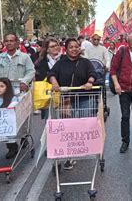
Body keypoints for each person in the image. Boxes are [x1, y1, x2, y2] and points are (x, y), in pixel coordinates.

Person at [47, 38, 96, 169]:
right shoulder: (61, 63)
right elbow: (51, 73)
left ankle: (84, 148)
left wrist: (89, 82)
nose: (74, 49)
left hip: (84, 99)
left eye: (76, 47)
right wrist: (54, 82)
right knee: (68, 128)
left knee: (82, 127)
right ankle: (70, 155)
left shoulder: (85, 62)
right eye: (71, 47)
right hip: (66, 100)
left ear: (79, 48)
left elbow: (93, 74)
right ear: (66, 49)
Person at [0, 33, 35, 159]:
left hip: (19, 90)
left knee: (20, 115)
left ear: (17, 43)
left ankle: (23, 136)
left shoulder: (24, 57)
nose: (9, 43)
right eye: (6, 41)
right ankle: (11, 146)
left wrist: (24, 81)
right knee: (6, 116)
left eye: (11, 41)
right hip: (4, 91)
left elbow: (31, 71)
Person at [35, 38, 62, 119]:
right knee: (49, 122)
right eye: (52, 46)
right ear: (47, 49)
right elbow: (39, 78)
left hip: (63, 95)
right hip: (48, 96)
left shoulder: (65, 59)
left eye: (56, 45)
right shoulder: (41, 62)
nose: (55, 48)